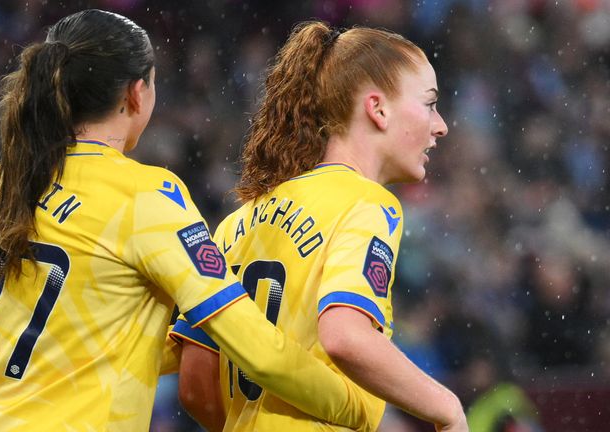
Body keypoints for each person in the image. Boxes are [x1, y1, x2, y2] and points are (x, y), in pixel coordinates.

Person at [0, 10, 372, 432]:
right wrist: (358, 407)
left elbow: (79, 339)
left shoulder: (7, 180)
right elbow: (256, 349)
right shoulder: (145, 195)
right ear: (137, 93)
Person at [172, 22, 468, 431]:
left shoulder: (235, 223)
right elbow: (346, 336)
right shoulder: (368, 204)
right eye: (430, 104)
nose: (441, 126)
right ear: (378, 109)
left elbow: (194, 384)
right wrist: (447, 408)